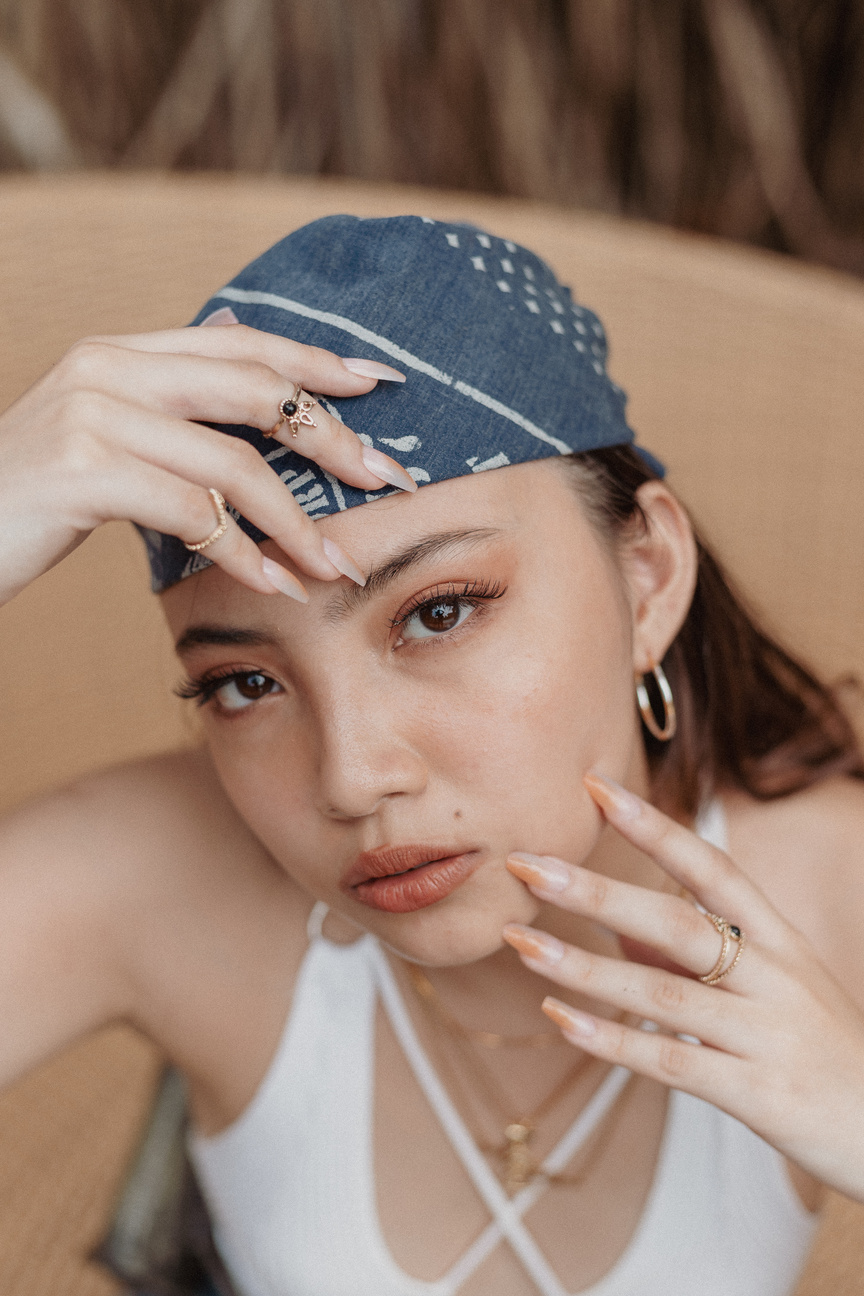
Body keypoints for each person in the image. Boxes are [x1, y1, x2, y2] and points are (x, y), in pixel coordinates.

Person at [1, 214, 864, 1296]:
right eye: (246, 683)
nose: (353, 778)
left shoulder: (833, 894)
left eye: (440, 613)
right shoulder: (167, 877)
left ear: (646, 578)